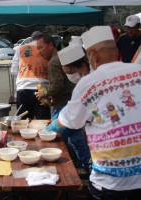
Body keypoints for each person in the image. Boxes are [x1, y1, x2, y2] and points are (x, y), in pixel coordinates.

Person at [47, 26, 141, 199]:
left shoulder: (90, 82)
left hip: (111, 182)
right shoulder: (138, 71)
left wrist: (47, 131)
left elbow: (67, 122)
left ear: (93, 56)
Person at [36, 34, 91, 172]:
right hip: (70, 107)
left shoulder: (87, 82)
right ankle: (87, 165)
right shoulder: (83, 80)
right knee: (76, 135)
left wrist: (48, 131)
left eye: (68, 72)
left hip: (66, 107)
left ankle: (62, 171)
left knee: (58, 141)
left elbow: (65, 116)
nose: (68, 76)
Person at [11, 31, 50, 119]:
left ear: (31, 39)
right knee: (43, 122)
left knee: (23, 122)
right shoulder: (45, 48)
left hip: (23, 88)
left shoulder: (20, 49)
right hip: (42, 90)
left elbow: (13, 71)